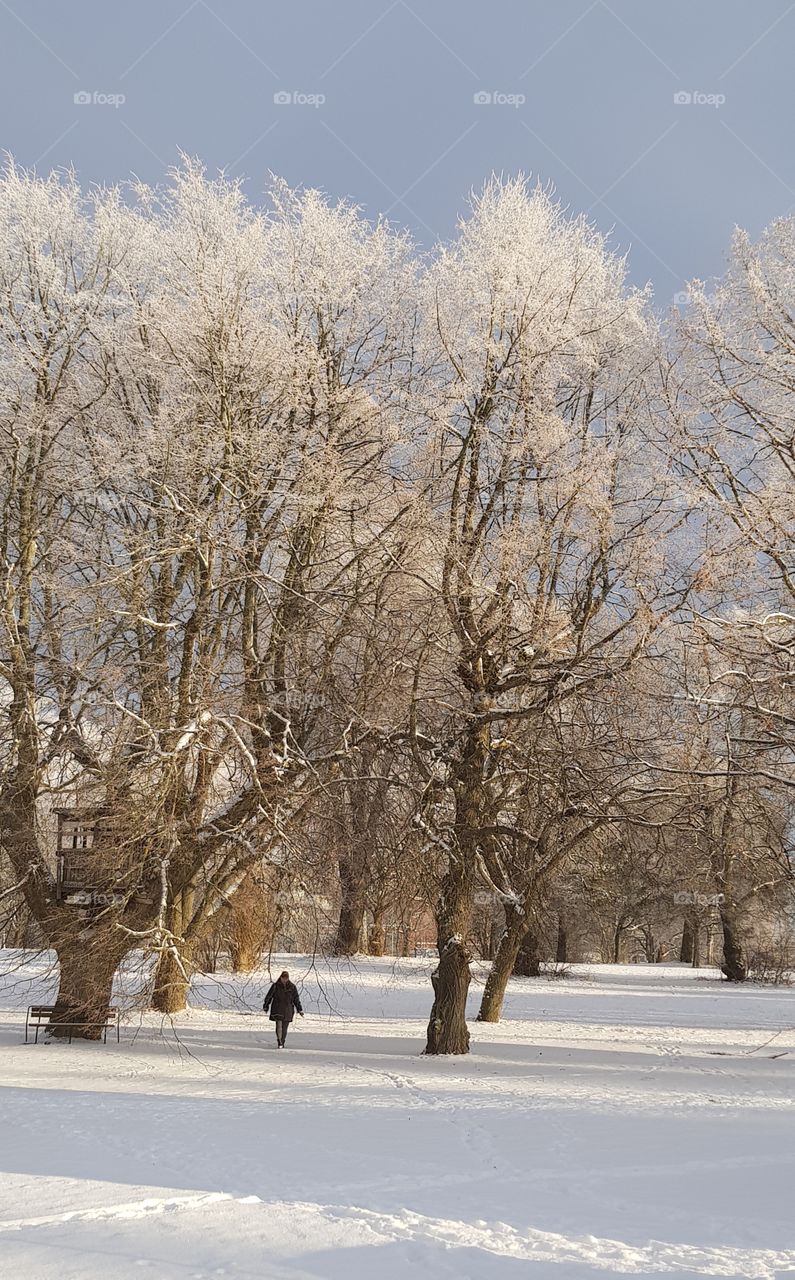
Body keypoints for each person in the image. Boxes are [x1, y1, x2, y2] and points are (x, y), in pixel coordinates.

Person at [263, 970, 303, 1047]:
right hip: (277, 1009)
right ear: (280, 977)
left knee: (284, 1028)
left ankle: (282, 1041)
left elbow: (296, 999)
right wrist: (266, 1005)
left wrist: (299, 1009)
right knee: (279, 1026)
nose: (284, 979)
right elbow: (269, 996)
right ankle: (279, 1041)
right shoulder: (275, 986)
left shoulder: (292, 987)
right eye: (283, 978)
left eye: (286, 978)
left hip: (288, 1010)